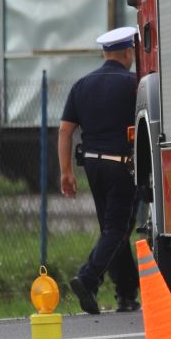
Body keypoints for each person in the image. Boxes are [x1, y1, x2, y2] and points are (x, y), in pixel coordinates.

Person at [58, 26, 141, 314]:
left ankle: (126, 294)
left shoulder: (82, 85)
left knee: (113, 230)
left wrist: (65, 171)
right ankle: (88, 276)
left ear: (104, 53)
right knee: (118, 229)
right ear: (129, 52)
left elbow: (65, 131)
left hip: (92, 164)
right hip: (123, 166)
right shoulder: (134, 84)